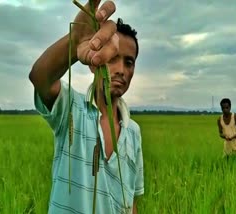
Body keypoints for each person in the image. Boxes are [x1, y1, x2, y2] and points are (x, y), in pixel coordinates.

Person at [29, 0, 144, 213]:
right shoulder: (71, 109)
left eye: (128, 62)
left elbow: (131, 200)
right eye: (113, 59)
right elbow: (40, 78)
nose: (120, 69)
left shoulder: (134, 132)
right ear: (94, 63)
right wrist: (75, 41)